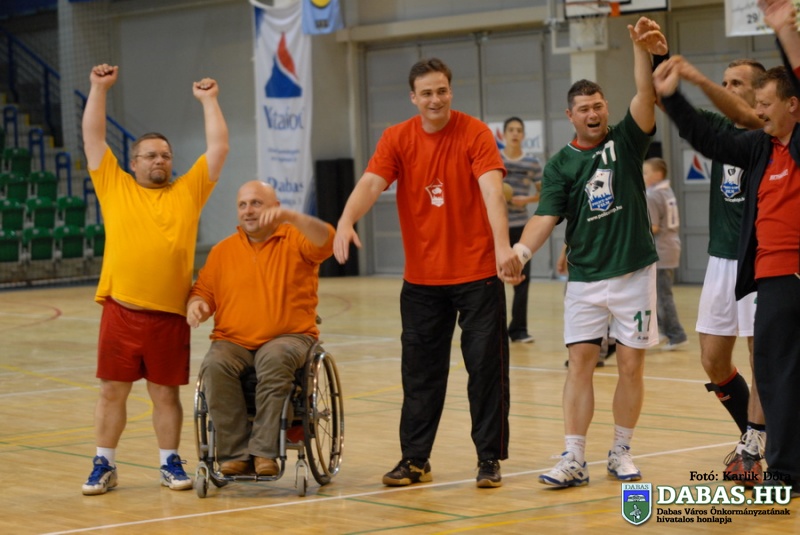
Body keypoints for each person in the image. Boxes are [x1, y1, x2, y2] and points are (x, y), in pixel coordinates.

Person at [333, 58, 520, 489]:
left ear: (450, 92)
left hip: (478, 274)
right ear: (413, 98)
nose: (436, 99)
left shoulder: (474, 133)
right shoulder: (397, 137)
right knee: (419, 375)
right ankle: (415, 460)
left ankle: (489, 458)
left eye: (442, 91)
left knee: (486, 370)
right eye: (427, 93)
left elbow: (492, 191)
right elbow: (371, 183)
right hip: (421, 281)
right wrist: (345, 220)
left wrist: (502, 246)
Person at [505, 17, 667, 488]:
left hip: (634, 272)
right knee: (580, 362)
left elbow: (646, 95)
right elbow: (545, 216)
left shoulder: (627, 139)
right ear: (570, 116)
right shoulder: (560, 165)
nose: (592, 113)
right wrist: (520, 251)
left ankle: (621, 451)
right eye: (583, 108)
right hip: (585, 278)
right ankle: (574, 457)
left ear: (606, 109)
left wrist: (640, 48)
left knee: (631, 365)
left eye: (598, 105)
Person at [654, 0, 800, 497]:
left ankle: (770, 452)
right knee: (765, 371)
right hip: (758, 272)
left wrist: (783, 31)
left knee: (780, 367)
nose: (757, 110)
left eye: (764, 102)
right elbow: (708, 136)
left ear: (790, 104)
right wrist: (671, 92)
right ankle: (780, 462)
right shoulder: (758, 146)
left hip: (789, 270)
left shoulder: (794, 141)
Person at [80, 64, 229, 495]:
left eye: (165, 155)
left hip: (169, 316)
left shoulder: (188, 192)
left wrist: (209, 100)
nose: (159, 160)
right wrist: (98, 88)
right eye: (150, 155)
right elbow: (93, 137)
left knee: (166, 396)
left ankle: (169, 463)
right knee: (112, 392)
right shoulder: (115, 185)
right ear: (133, 163)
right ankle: (104, 464)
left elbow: (218, 147)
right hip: (121, 311)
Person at [661, 54, 767, 487]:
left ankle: (755, 446)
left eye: (736, 83)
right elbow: (670, 102)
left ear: (760, 93)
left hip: (760, 259)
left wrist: (698, 78)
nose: (728, 89)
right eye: (723, 82)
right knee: (712, 359)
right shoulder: (721, 131)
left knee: (761, 358)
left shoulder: (770, 135)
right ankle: (753, 434)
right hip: (721, 259)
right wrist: (656, 56)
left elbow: (746, 115)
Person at [187, 181, 334, 477]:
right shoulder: (222, 251)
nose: (248, 210)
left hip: (289, 337)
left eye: (256, 203)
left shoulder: (296, 239)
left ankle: (264, 453)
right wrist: (197, 304)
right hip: (233, 341)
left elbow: (327, 239)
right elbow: (203, 290)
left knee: (274, 358)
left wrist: (292, 217)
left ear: (275, 207)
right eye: (242, 205)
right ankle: (234, 454)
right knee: (214, 365)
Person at [500, 117, 543, 343]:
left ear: (523, 135)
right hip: (497, 229)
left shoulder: (532, 163)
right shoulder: (494, 158)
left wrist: (527, 199)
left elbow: (543, 193)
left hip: (521, 228)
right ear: (504, 134)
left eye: (519, 130)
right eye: (511, 130)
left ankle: (518, 330)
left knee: (522, 279)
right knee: (493, 281)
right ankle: (496, 330)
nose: (515, 133)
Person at [643, 157, 688, 350]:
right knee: (656, 294)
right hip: (670, 246)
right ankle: (661, 330)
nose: (643, 176)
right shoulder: (667, 190)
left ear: (658, 175)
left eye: (646, 173)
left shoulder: (653, 195)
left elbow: (653, 227)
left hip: (661, 250)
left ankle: (677, 335)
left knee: (662, 296)